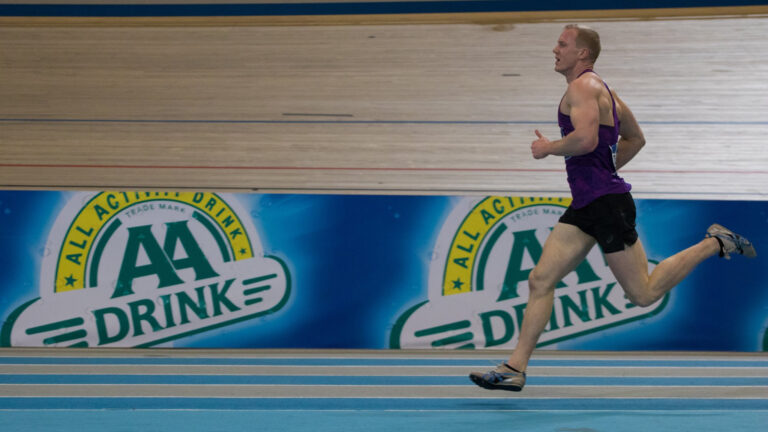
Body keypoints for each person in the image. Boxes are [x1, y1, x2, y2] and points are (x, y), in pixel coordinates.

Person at [469, 24, 757, 392]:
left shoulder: (583, 87)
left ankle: (715, 242)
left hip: (606, 205)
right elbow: (636, 138)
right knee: (540, 279)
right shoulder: (606, 91)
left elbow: (587, 140)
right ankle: (515, 368)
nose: (554, 49)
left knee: (644, 294)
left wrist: (549, 149)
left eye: (562, 44)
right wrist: (603, 172)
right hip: (590, 203)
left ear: (582, 54)